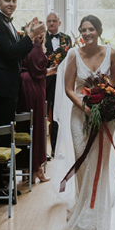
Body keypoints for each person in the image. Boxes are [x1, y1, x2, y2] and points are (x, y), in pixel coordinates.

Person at [52, 15, 115, 230]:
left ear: (98, 30)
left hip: (104, 116)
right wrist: (87, 107)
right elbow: (69, 88)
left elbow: (114, 84)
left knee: (100, 163)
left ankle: (97, 211)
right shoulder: (73, 54)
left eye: (91, 29)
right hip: (80, 114)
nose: (87, 33)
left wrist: (108, 102)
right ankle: (83, 209)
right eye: (83, 30)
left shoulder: (110, 52)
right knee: (83, 161)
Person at [0, 0, 45, 187]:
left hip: (9, 86)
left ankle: (1, 180)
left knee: (6, 134)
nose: (11, 4)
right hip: (1, 87)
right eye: (7, 0)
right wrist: (30, 37)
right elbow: (11, 53)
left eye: (13, 1)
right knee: (1, 135)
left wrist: (27, 36)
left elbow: (15, 50)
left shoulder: (6, 23)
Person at [19, 27, 49, 184]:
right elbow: (38, 71)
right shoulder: (34, 46)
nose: (42, 34)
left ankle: (28, 168)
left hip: (26, 84)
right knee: (36, 124)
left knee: (28, 124)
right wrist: (56, 69)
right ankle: (36, 169)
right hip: (32, 86)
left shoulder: (26, 44)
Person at [44, 12, 72, 159]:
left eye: (54, 21)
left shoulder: (67, 39)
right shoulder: (41, 38)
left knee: (58, 115)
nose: (52, 23)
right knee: (43, 116)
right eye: (49, 21)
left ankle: (56, 149)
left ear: (60, 23)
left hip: (61, 82)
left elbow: (70, 59)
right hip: (45, 82)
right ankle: (43, 152)